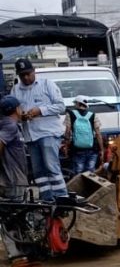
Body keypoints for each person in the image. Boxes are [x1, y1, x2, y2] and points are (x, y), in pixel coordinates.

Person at [10, 58, 67, 202]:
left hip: (48, 133)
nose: (25, 77)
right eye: (22, 75)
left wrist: (40, 110)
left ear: (34, 71)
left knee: (51, 166)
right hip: (30, 136)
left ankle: (61, 197)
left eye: (28, 74)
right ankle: (47, 199)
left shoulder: (47, 84)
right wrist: (21, 116)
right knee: (38, 171)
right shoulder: (15, 90)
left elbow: (61, 107)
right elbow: (14, 111)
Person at [63, 95, 104, 174]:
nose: (74, 105)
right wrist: (102, 150)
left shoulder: (70, 114)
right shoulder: (93, 115)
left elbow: (67, 132)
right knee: (91, 173)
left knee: (78, 173)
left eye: (75, 103)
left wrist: (66, 147)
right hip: (92, 149)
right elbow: (98, 134)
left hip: (77, 149)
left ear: (78, 103)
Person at [0, 96, 29, 202]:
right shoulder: (10, 126)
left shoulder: (7, 124)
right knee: (16, 210)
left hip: (12, 179)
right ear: (17, 109)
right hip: (13, 180)